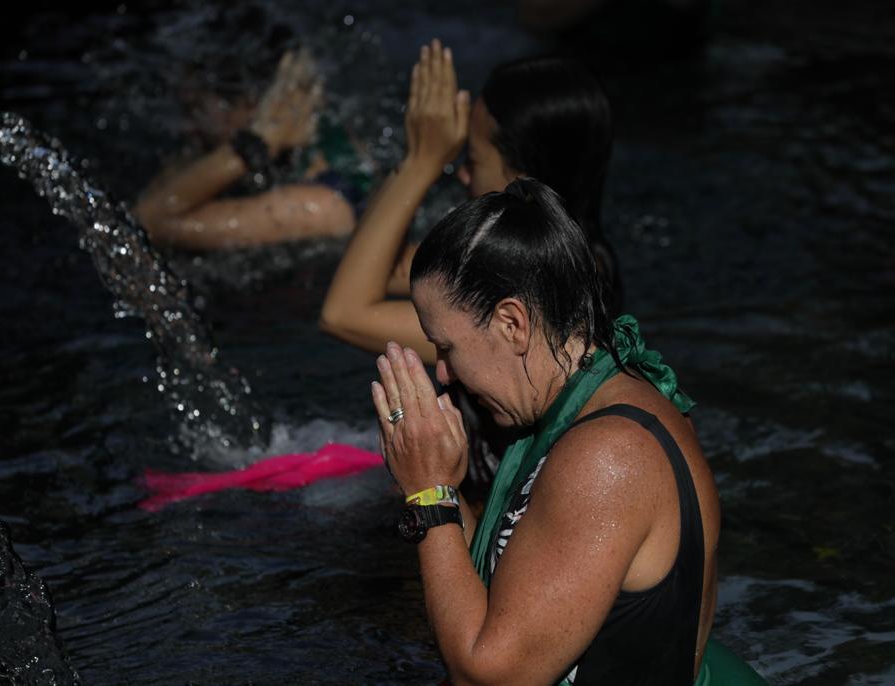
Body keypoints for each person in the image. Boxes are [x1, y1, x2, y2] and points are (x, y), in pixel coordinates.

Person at [370, 178, 726, 685]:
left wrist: (428, 494)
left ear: (511, 323)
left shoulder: (609, 456)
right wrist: (435, 483)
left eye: (446, 347)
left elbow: (490, 677)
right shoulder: (580, 411)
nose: (442, 373)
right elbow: (506, 583)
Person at [319, 40, 622, 503]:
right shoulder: (585, 257)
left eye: (473, 160)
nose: (460, 174)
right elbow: (387, 267)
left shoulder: (539, 282)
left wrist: (421, 162)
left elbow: (344, 310)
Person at [134, 12, 371, 250]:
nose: (186, 127)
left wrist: (257, 141)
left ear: (250, 103)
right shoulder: (311, 133)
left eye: (194, 110)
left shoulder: (321, 203)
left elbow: (145, 224)